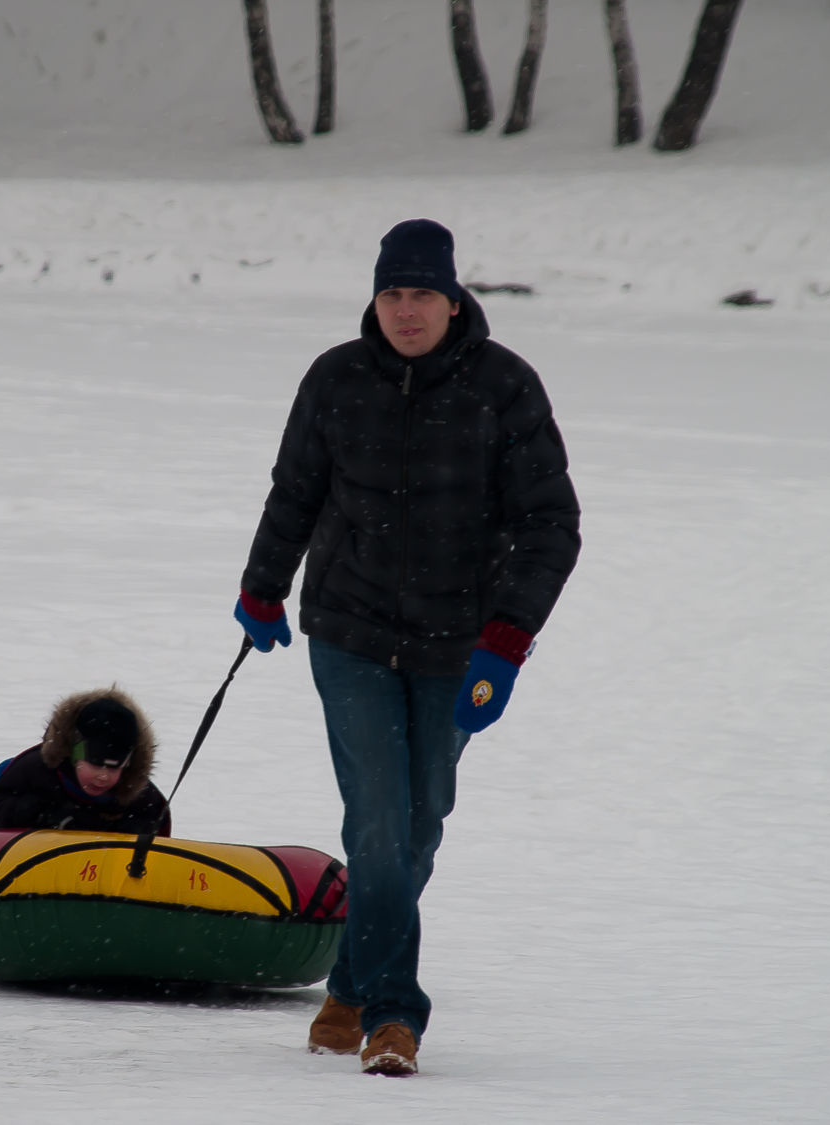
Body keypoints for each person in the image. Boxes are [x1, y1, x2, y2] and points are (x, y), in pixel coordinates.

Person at [234, 218, 581, 1075]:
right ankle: (394, 1015)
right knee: (381, 825)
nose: (406, 309)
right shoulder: (336, 379)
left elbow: (551, 524)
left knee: (419, 828)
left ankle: (348, 984)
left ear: (454, 298)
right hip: (348, 633)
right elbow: (296, 491)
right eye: (392, 292)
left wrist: (504, 644)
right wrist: (262, 586)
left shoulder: (504, 387)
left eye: (422, 293)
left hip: (455, 647)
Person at [0, 689, 168, 972]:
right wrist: (40, 814)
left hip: (91, 870)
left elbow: (158, 839)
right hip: (13, 854)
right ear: (74, 751)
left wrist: (130, 835)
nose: (103, 776)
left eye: (115, 768)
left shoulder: (140, 795)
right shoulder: (35, 769)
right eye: (94, 763)